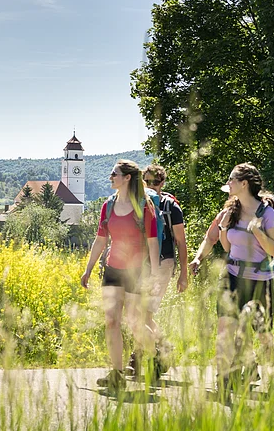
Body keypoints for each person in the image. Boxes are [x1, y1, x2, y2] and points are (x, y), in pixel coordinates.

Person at [193, 163, 274, 396]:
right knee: (225, 329)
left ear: (244, 184)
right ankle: (223, 380)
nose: (228, 184)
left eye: (231, 180)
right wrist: (199, 258)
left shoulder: (266, 213)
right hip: (232, 277)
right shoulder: (229, 212)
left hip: (259, 281)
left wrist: (257, 231)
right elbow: (224, 245)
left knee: (263, 334)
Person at [80, 160, 161, 389]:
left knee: (134, 322)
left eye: (114, 174)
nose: (110, 177)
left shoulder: (144, 207)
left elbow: (153, 243)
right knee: (112, 321)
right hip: (113, 268)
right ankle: (116, 374)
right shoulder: (108, 206)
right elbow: (101, 239)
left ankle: (154, 354)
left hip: (136, 271)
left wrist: (154, 275)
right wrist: (88, 268)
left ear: (127, 178)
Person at [124, 164, 189, 378]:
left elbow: (181, 241)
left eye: (155, 182)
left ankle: (140, 357)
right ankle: (162, 348)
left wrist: (183, 274)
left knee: (144, 313)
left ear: (162, 183)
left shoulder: (171, 207)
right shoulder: (139, 203)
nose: (151, 185)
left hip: (162, 263)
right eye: (147, 181)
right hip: (141, 264)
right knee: (139, 313)